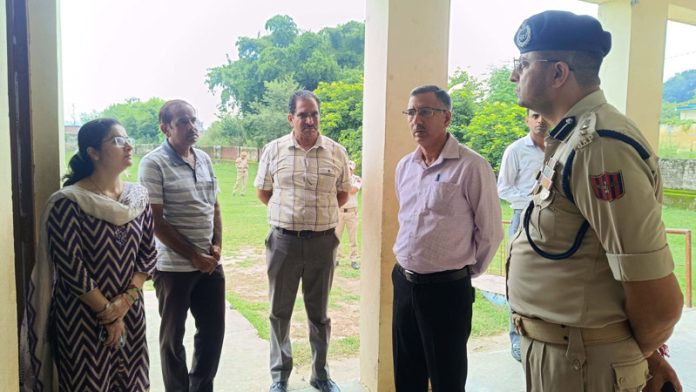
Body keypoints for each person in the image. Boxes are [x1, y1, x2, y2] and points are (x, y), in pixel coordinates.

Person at [507, 10, 683, 392]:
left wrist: (637, 355)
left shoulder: (600, 146)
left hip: (584, 366)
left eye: (522, 64)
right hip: (569, 356)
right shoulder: (572, 139)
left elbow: (659, 300)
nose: (513, 75)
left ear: (558, 73)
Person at [21, 118, 156, 391]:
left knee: (133, 384)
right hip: (81, 319)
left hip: (131, 312)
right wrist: (108, 312)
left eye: (127, 138)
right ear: (93, 152)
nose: (128, 145)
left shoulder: (138, 199)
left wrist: (124, 303)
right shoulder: (68, 202)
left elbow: (148, 254)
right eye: (117, 140)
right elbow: (71, 267)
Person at [392, 85, 504, 391]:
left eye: (426, 111)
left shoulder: (471, 166)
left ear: (447, 118)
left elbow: (491, 231)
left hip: (446, 290)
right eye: (411, 112)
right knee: (406, 371)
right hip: (404, 283)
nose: (417, 120)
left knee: (447, 377)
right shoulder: (405, 166)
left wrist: (462, 270)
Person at [255, 90, 351, 392]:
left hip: (323, 243)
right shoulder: (274, 150)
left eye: (314, 114)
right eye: (303, 115)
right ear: (291, 118)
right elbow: (263, 191)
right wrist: (290, 217)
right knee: (279, 312)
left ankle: (320, 375)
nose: (309, 120)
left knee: (319, 314)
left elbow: (343, 193)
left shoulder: (337, 151)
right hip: (283, 242)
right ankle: (279, 376)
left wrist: (316, 218)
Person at [139, 100, 225, 392]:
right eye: (183, 122)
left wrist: (216, 247)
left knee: (213, 333)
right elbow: (156, 221)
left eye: (193, 120)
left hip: (210, 266)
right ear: (166, 128)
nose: (192, 127)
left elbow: (214, 206)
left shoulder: (203, 158)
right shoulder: (153, 163)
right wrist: (194, 256)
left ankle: (201, 387)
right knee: (172, 339)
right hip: (173, 268)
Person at [497, 109, 548, 362]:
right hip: (522, 219)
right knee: (517, 280)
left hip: (553, 222)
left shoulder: (559, 149)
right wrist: (534, 202)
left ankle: (540, 338)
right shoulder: (516, 150)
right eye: (535, 116)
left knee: (547, 280)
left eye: (544, 115)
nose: (540, 120)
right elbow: (503, 188)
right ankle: (517, 340)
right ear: (527, 120)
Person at [335, 160, 362, 270]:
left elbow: (354, 190)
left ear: (353, 169)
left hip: (351, 212)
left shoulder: (357, 179)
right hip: (340, 211)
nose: (349, 170)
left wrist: (343, 188)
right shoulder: (339, 178)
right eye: (347, 168)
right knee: (336, 237)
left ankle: (354, 259)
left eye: (350, 168)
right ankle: (336, 258)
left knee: (353, 238)